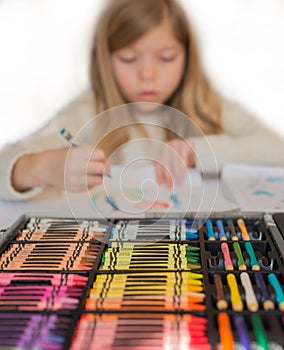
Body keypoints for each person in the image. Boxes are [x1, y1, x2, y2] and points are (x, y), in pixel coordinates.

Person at [0, 0, 283, 201]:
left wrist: (197, 151)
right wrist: (41, 168)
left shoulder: (207, 105)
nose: (147, 74)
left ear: (187, 58)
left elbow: (276, 150)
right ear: (104, 59)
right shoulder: (88, 111)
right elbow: (6, 165)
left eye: (166, 58)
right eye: (129, 59)